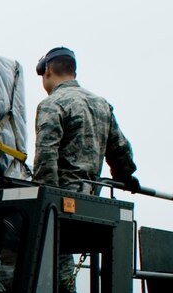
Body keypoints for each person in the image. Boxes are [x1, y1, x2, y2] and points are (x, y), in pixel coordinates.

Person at [30, 47, 138, 193]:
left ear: (47, 70)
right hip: (91, 198)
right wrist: (126, 177)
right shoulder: (102, 104)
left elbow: (46, 154)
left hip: (63, 198)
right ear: (74, 72)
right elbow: (120, 149)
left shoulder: (51, 104)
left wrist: (47, 195)